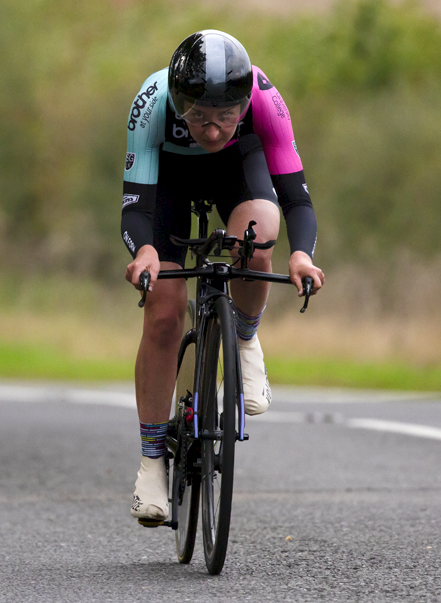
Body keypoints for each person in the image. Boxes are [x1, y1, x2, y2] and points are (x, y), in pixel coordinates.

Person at [121, 30, 325, 524]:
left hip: (239, 171)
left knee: (257, 241)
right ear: (177, 100)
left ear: (243, 103)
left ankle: (245, 338)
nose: (212, 132)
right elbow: (135, 207)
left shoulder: (265, 99)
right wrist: (145, 250)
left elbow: (295, 197)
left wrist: (300, 256)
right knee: (164, 310)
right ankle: (152, 460)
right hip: (169, 178)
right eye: (198, 117)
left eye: (226, 117)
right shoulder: (151, 102)